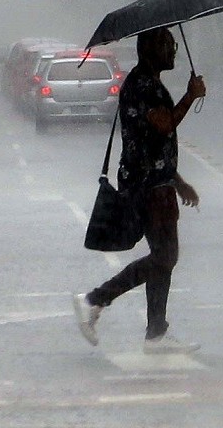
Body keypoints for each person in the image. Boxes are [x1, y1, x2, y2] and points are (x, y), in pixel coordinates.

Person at [73, 27, 207, 354]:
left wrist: (177, 181)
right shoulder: (142, 85)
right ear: (149, 49)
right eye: (167, 45)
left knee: (164, 257)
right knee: (165, 256)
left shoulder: (146, 81)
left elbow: (153, 143)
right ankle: (94, 300)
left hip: (155, 182)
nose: (173, 51)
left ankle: (156, 334)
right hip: (147, 187)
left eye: (174, 45)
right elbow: (164, 125)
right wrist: (191, 95)